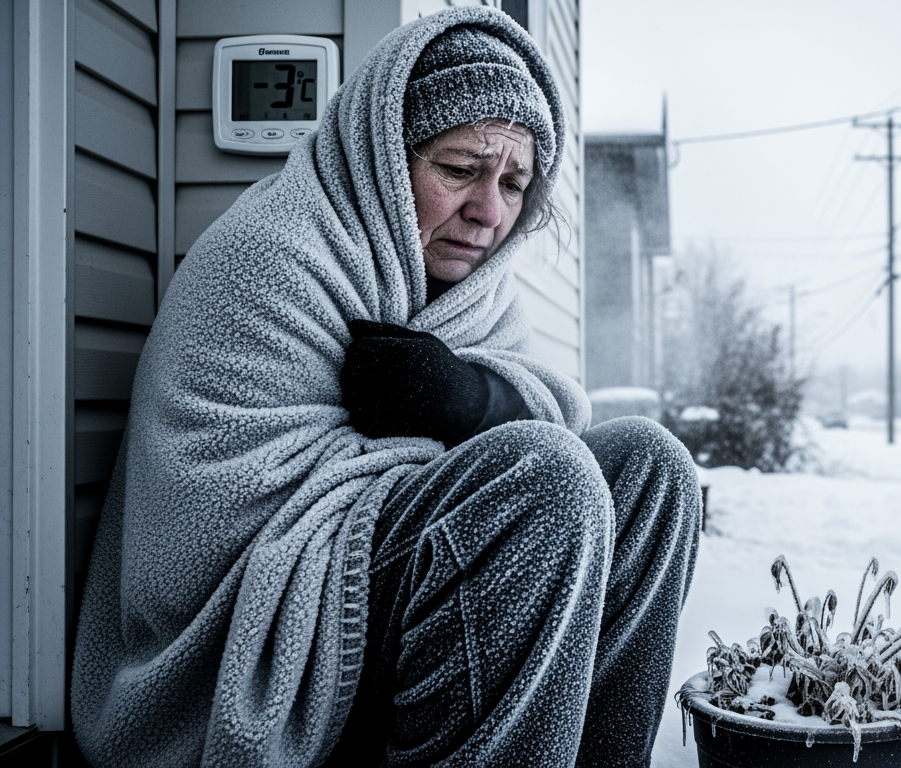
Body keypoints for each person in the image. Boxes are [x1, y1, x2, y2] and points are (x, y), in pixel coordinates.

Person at [70, 7, 700, 767]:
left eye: (513, 181)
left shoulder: (475, 293)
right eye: (460, 169)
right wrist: (471, 443)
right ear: (383, 157)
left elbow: (550, 411)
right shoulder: (268, 257)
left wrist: (469, 399)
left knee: (651, 465)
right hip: (260, 623)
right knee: (549, 478)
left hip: (377, 572)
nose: (488, 212)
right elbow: (220, 528)